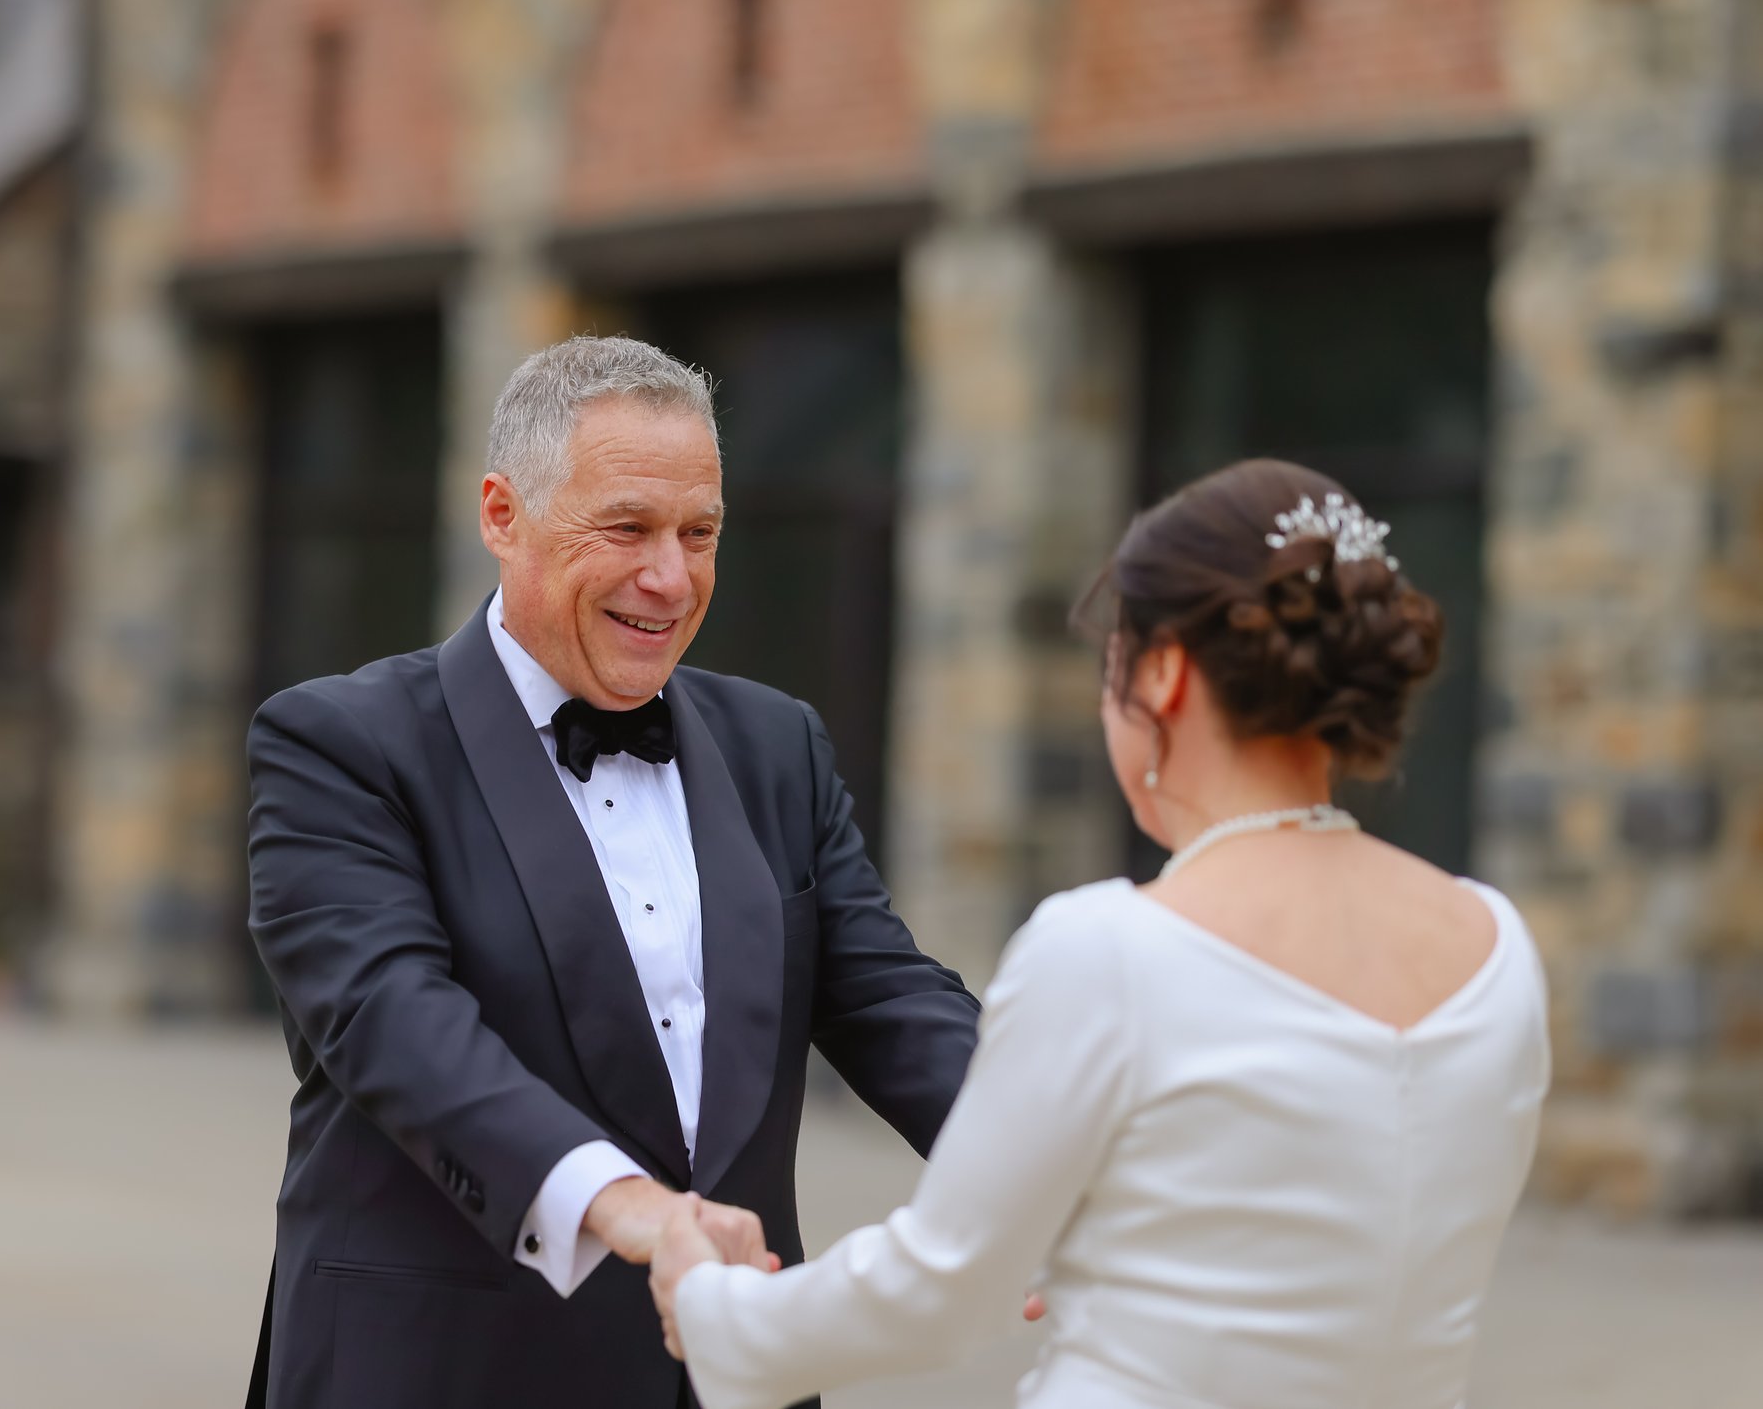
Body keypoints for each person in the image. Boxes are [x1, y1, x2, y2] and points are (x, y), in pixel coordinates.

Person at [654, 457, 1552, 1409]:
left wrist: (717, 1308)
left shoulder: (1108, 948)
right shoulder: (1496, 943)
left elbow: (942, 1291)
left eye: (1111, 662)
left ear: (1163, 673)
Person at [242, 335, 984, 1409]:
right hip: (440, 1370)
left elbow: (888, 996)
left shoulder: (777, 741)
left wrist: (1049, 1174)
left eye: (699, 533)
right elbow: (394, 1022)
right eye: (628, 528)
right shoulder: (339, 743)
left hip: (728, 1375)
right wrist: (627, 1205)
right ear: (502, 514)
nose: (670, 578)